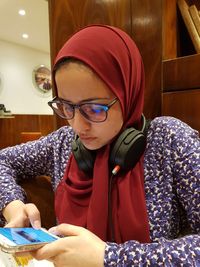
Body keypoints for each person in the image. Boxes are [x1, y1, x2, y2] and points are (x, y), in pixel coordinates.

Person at [0, 25, 199, 266]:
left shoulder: (169, 140)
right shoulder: (62, 142)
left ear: (127, 93)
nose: (77, 125)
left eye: (94, 109)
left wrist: (108, 258)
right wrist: (12, 204)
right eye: (66, 106)